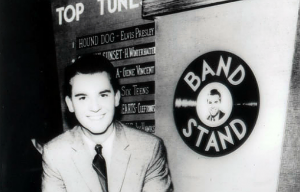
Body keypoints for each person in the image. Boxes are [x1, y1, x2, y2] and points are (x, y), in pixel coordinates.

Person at [41, 55, 173, 192]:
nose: (95, 107)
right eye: (82, 98)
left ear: (116, 98)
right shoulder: (55, 154)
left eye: (103, 95)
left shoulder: (149, 148)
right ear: (70, 104)